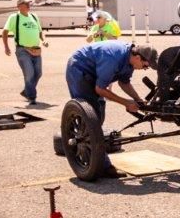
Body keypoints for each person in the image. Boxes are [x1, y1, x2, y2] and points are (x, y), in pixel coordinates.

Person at [64, 41, 157, 177]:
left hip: (97, 71)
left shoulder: (130, 60)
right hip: (80, 69)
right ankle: (103, 166)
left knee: (99, 114)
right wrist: (125, 103)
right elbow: (100, 89)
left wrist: (138, 100)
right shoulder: (113, 58)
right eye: (145, 66)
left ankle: (95, 156)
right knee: (90, 116)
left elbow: (124, 82)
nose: (144, 69)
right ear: (138, 57)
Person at [1, 0, 47, 106]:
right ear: (19, 6)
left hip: (36, 50)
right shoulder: (14, 17)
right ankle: (32, 96)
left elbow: (40, 32)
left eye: (28, 4)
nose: (28, 6)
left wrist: (44, 40)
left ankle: (27, 91)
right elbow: (5, 32)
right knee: (29, 73)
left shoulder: (34, 16)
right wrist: (6, 47)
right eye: (26, 4)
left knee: (38, 73)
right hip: (22, 50)